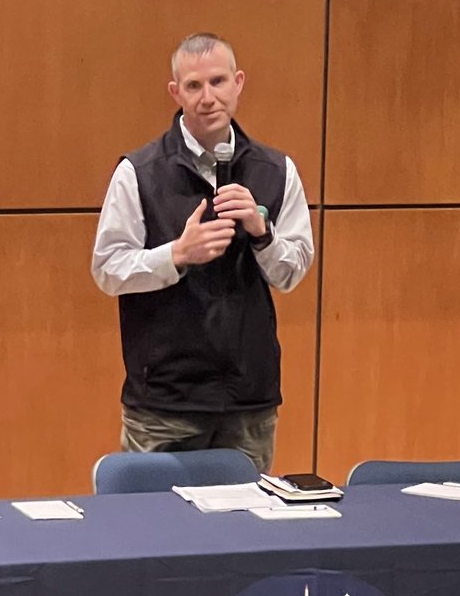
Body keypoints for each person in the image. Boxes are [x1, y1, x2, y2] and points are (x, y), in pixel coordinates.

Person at [91, 32, 314, 473]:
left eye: (218, 82)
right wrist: (175, 254)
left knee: (244, 531)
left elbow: (292, 272)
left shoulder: (276, 170)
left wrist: (261, 232)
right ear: (176, 92)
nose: (208, 97)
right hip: (165, 401)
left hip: (248, 398)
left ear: (239, 83)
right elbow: (108, 269)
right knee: (156, 533)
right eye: (194, 86)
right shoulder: (139, 172)